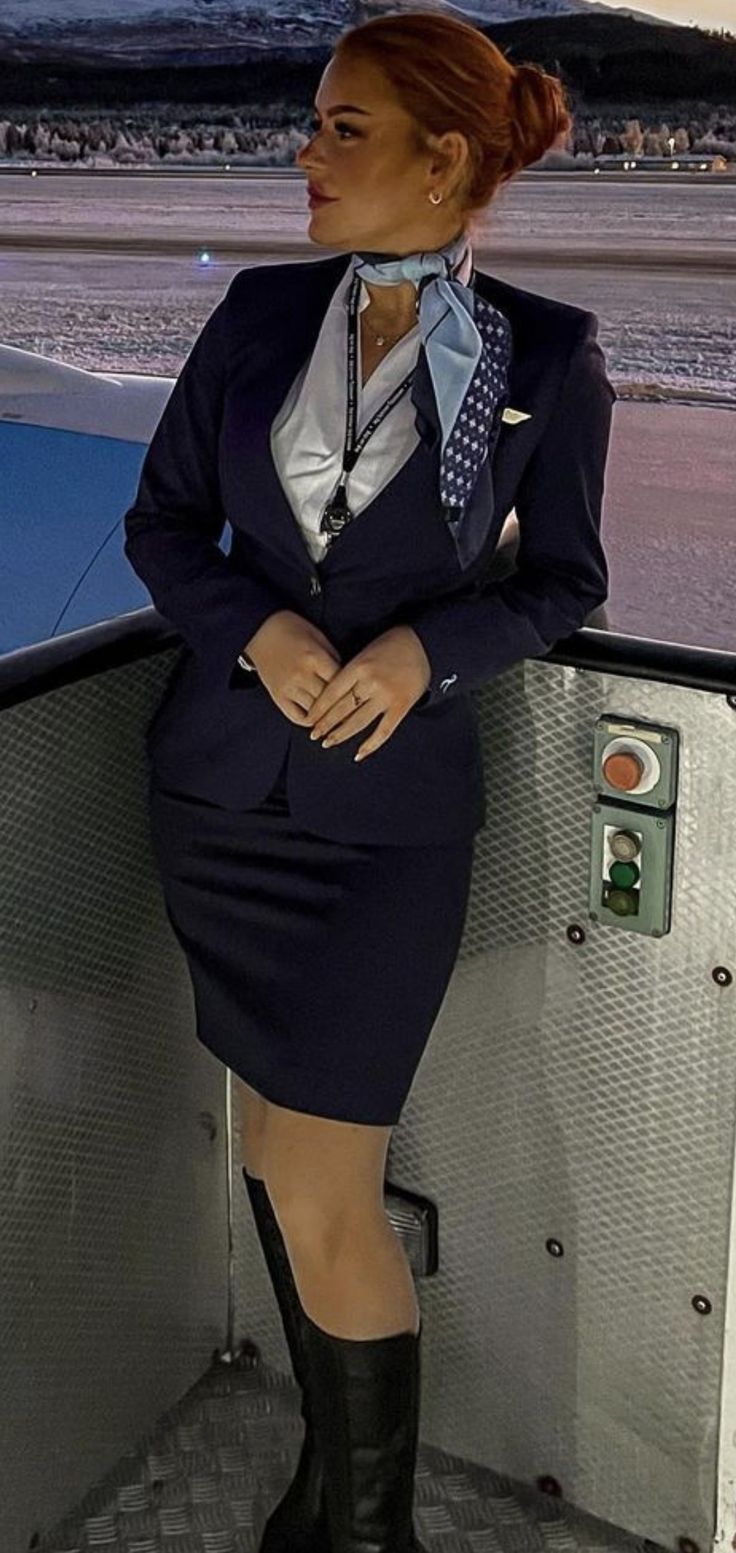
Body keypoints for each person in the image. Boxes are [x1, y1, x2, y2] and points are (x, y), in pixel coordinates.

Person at [122, 10, 616, 1550]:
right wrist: (253, 625)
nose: (306, 153)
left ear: (446, 156)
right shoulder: (262, 316)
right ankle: (328, 1490)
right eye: (315, 123)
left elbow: (567, 583)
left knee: (327, 1183)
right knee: (277, 1154)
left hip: (384, 832)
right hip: (219, 801)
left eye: (343, 128)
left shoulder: (546, 354)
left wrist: (427, 653)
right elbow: (161, 525)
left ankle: (366, 1531)